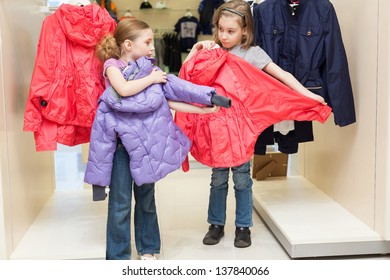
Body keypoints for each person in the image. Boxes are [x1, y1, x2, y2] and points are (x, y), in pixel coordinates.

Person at [183, 0, 327, 248]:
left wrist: (308, 95)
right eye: (220, 30)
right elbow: (186, 74)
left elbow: (282, 76)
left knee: (242, 179)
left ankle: (243, 227)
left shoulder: (253, 54)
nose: (224, 36)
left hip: (241, 130)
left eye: (231, 31)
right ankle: (215, 225)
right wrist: (196, 48)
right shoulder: (211, 52)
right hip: (217, 129)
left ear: (245, 31)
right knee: (218, 178)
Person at [86, 18, 230, 260]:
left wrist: (202, 109)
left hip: (146, 145)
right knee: (120, 203)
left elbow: (168, 99)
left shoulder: (149, 68)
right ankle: (118, 256)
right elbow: (122, 89)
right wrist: (153, 79)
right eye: (148, 42)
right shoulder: (113, 65)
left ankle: (149, 247)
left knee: (146, 200)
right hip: (122, 147)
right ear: (128, 45)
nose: (153, 47)